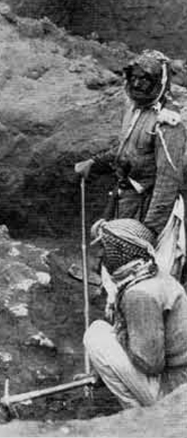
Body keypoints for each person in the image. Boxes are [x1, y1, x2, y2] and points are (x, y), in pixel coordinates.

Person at [75, 49, 186, 282]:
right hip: (124, 198)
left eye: (144, 80)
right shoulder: (134, 109)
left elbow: (168, 182)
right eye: (133, 77)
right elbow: (127, 151)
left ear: (159, 83)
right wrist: (94, 163)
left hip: (147, 208)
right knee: (115, 257)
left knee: (143, 274)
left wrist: (148, 231)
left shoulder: (169, 123)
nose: (136, 84)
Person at [83, 218, 187, 408]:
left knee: (96, 336)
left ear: (122, 252)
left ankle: (143, 418)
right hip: (180, 379)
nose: (100, 255)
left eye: (104, 248)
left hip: (176, 393)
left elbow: (150, 364)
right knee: (104, 331)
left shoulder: (139, 293)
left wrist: (121, 338)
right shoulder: (153, 274)